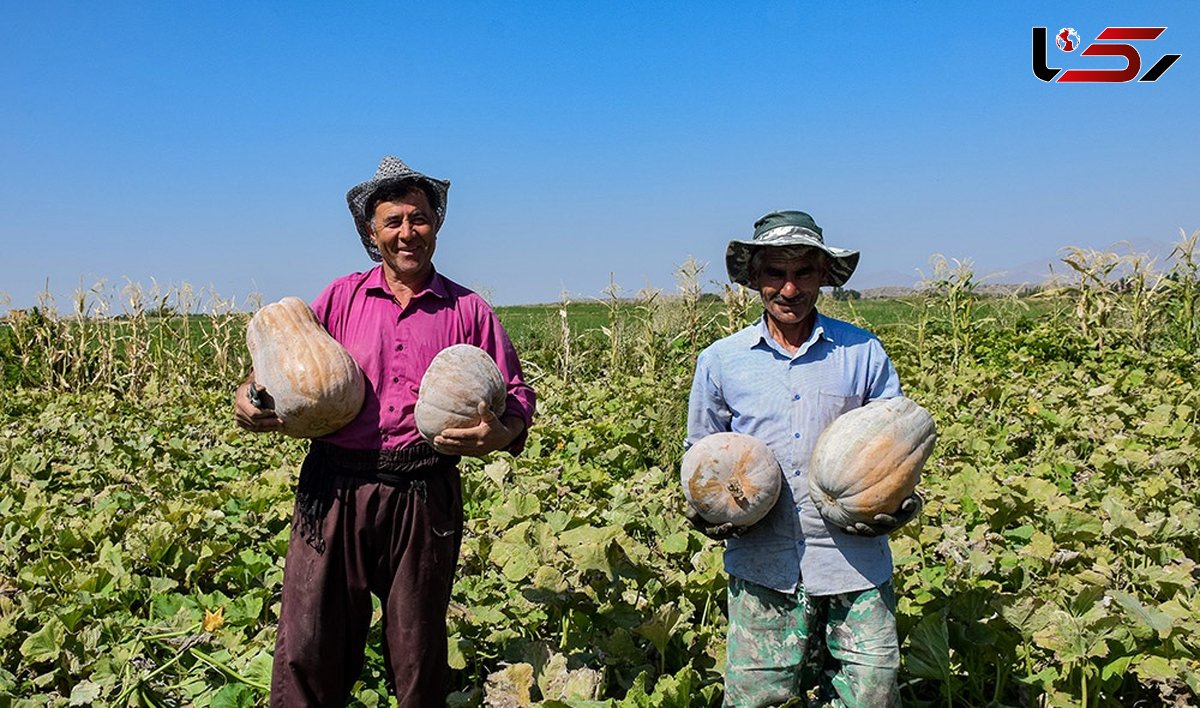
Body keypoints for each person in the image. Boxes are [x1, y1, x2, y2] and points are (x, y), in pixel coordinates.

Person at [234, 156, 536, 706]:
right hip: (334, 489)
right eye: (393, 221)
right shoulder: (339, 299)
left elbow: (517, 396)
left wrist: (498, 434)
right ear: (371, 233)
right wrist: (248, 400)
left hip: (423, 491)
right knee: (308, 644)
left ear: (436, 224)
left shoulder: (468, 309)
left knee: (417, 653)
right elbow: (280, 366)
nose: (407, 233)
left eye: (418, 218)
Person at [685, 210, 920, 707]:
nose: (789, 289)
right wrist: (706, 510)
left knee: (871, 695)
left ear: (822, 277)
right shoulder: (722, 360)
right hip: (762, 563)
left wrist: (899, 504)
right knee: (756, 699)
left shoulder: (863, 352)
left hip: (854, 562)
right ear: (754, 278)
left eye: (803, 273)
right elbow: (701, 454)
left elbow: (897, 445)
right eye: (775, 273)